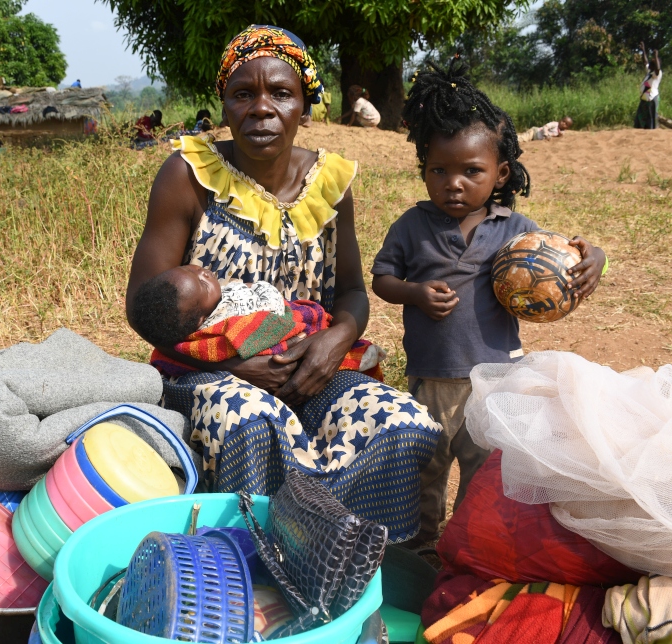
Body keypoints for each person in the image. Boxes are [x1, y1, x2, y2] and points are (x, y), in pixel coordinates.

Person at [125, 24, 441, 540]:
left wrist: (333, 341)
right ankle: (248, 566)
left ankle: (352, 557)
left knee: (399, 420)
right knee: (248, 420)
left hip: (311, 368)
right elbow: (144, 306)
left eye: (281, 93)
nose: (261, 108)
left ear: (305, 106)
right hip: (208, 374)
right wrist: (235, 363)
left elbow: (353, 293)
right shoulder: (187, 175)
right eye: (243, 94)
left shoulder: (331, 184)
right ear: (225, 106)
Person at [371, 57, 607, 547]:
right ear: (424, 171)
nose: (453, 182)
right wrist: (413, 292)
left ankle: (464, 547)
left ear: (500, 174)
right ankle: (420, 548)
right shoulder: (413, 226)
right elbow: (381, 278)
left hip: (497, 379)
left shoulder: (517, 232)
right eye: (439, 170)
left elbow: (562, 258)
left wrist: (595, 257)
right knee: (427, 466)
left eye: (470, 171)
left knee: (483, 474)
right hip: (432, 378)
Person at [130, 266, 385, 375]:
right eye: (202, 285)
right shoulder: (227, 318)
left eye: (191, 269)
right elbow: (271, 313)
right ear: (200, 320)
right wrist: (258, 287)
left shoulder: (212, 302)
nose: (204, 273)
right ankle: (357, 357)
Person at [634, 44, 662, 129]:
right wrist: (643, 50)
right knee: (640, 120)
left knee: (651, 121)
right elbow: (645, 62)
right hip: (645, 98)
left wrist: (656, 56)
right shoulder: (649, 72)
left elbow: (657, 69)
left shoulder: (657, 74)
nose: (648, 64)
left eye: (651, 63)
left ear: (654, 66)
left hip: (651, 99)